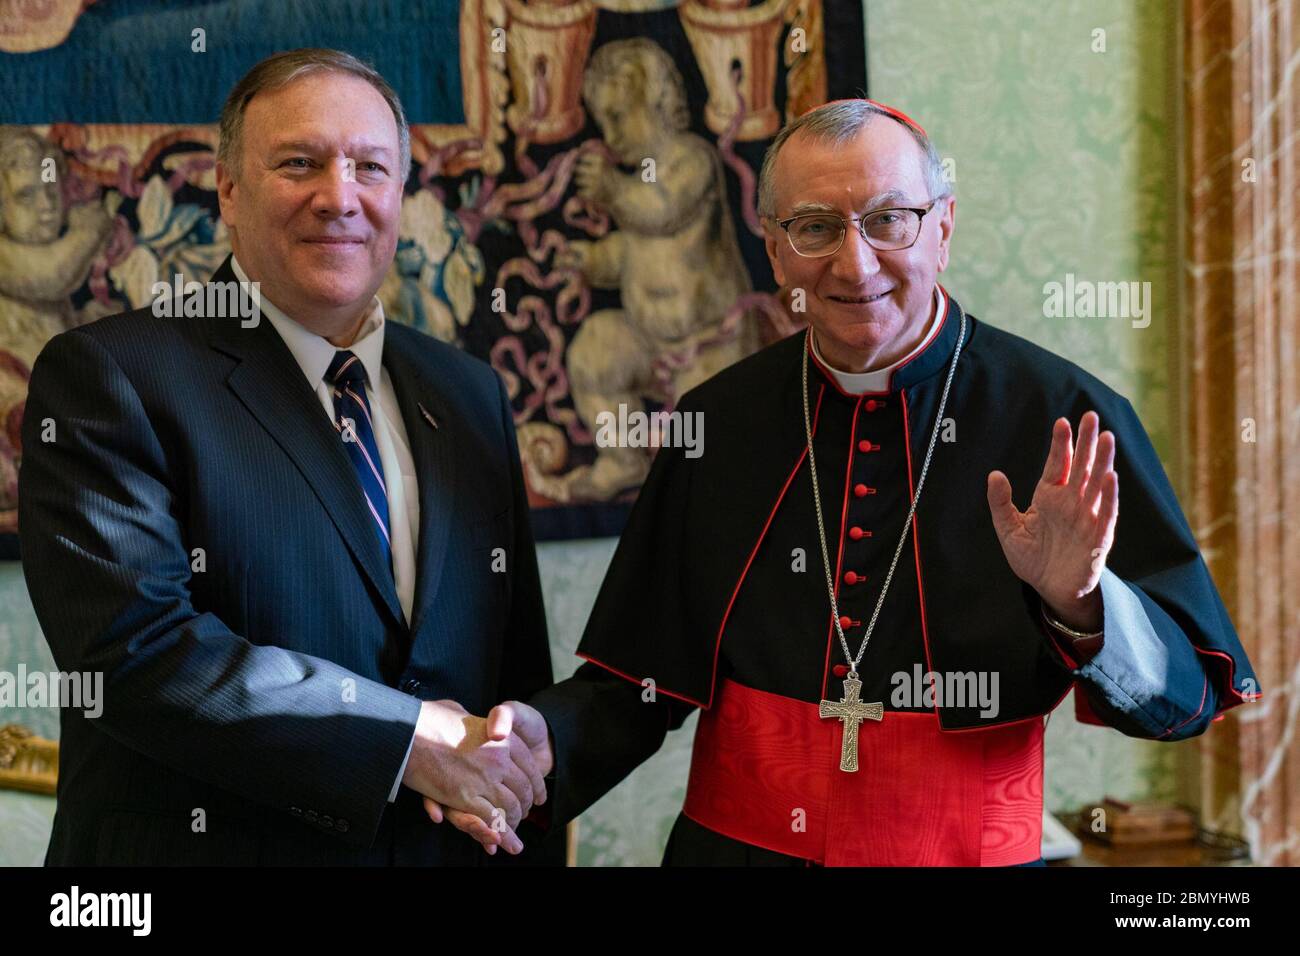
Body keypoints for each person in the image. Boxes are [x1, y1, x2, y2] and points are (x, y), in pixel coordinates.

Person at [440, 98, 1260, 866]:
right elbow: (635, 682)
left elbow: (1185, 698)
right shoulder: (717, 423)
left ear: (943, 228)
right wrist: (541, 740)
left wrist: (1081, 604)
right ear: (772, 247)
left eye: (888, 221)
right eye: (814, 227)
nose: (853, 260)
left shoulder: (1062, 416)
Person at [20, 48, 558, 866]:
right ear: (228, 191)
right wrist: (408, 739)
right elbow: (133, 654)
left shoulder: (467, 392)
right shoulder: (112, 375)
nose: (338, 197)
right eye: (299, 163)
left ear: (400, 196)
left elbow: (513, 677)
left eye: (369, 168)